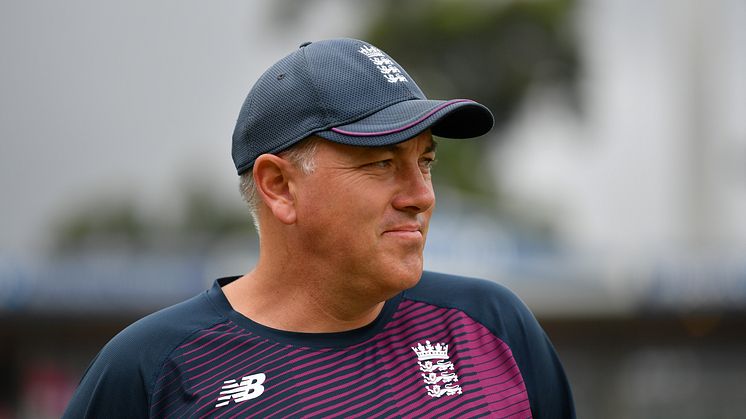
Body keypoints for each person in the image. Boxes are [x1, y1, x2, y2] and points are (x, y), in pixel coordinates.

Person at [64, 38, 575, 418]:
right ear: (279, 187)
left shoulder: (491, 327)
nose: (420, 195)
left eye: (425, 162)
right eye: (381, 164)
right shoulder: (151, 368)